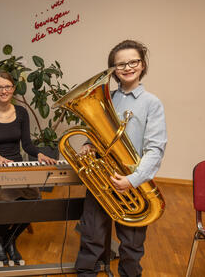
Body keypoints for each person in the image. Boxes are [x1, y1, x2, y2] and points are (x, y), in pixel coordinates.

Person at [75, 39, 167, 277]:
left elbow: (155, 149)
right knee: (92, 236)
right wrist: (88, 143)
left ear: (143, 64)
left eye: (133, 61)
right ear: (112, 70)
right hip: (101, 180)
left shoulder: (152, 103)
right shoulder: (106, 99)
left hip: (131, 184)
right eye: (120, 64)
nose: (127, 67)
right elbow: (96, 133)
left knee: (131, 246)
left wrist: (133, 179)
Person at [0, 71, 57, 266]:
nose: (4, 90)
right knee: (9, 200)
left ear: (13, 89)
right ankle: (1, 241)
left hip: (18, 164)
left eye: (8, 87)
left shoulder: (21, 112)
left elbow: (27, 144)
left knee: (35, 201)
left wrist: (39, 154)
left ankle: (7, 240)